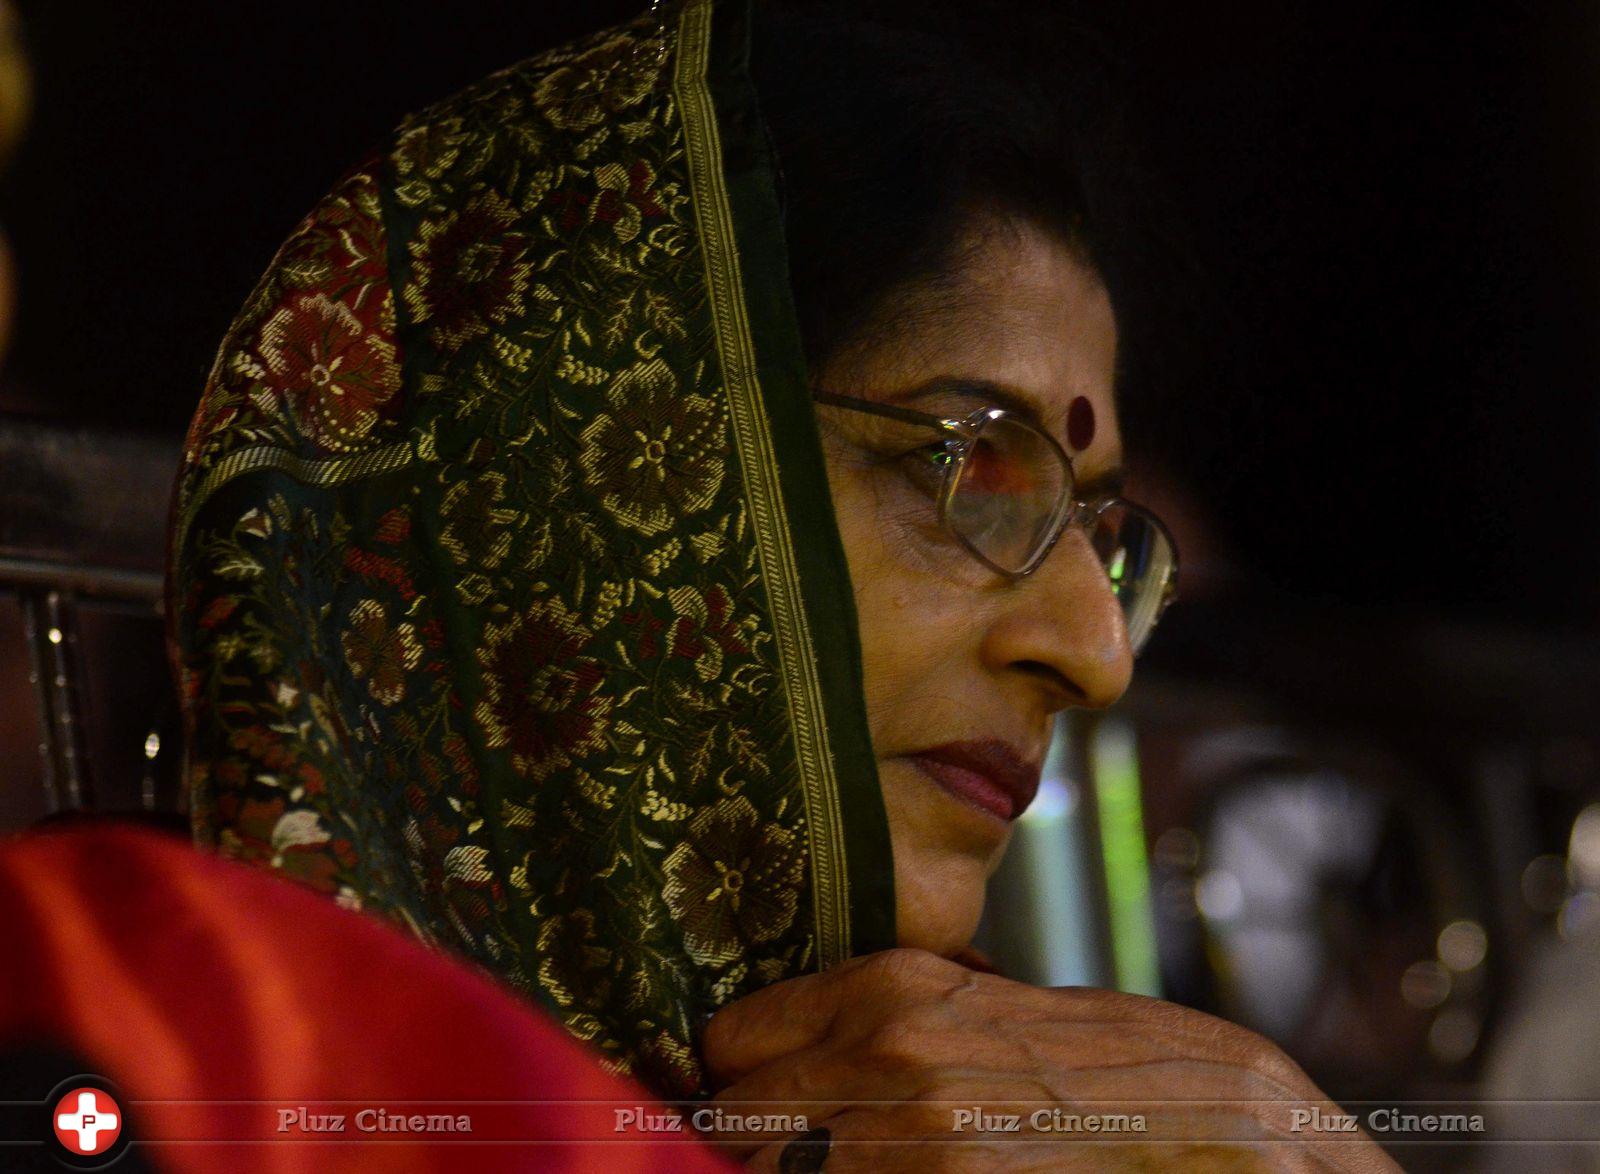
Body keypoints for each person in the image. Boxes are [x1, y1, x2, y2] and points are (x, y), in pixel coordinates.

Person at [169, 1, 1395, 1167]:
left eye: (1101, 539)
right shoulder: (150, 1047)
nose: (1095, 654)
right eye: (967, 469)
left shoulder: (1020, 1127)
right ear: (605, 476)